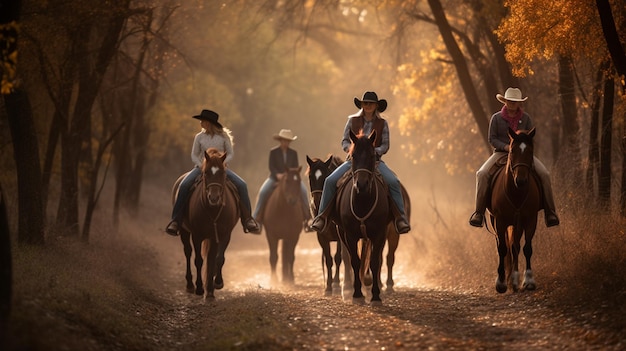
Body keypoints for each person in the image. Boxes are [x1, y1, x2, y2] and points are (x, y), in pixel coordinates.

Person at [310, 91, 411, 234]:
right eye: (365, 103)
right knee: (330, 181)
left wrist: (373, 152)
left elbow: (385, 145)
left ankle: (400, 218)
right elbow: (345, 140)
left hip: (374, 161)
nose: (368, 105)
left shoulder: (382, 123)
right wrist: (352, 150)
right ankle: (322, 217)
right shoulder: (352, 120)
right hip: (354, 161)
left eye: (371, 103)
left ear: (376, 106)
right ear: (362, 105)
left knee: (393, 181)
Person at [469, 87, 560, 228]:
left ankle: (550, 213)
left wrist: (521, 150)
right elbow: (492, 139)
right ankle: (478, 213)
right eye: (510, 101)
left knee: (545, 174)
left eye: (515, 101)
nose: (512, 103)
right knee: (481, 174)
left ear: (519, 103)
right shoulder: (496, 118)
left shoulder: (526, 119)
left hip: (522, 156)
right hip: (501, 152)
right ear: (505, 101)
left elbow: (530, 139)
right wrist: (506, 147)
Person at [166, 109, 260, 235]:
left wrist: (222, 164)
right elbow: (194, 155)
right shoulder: (199, 137)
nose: (201, 123)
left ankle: (248, 220)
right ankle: (176, 221)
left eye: (203, 121)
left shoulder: (223, 137)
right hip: (201, 168)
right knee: (183, 185)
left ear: (209, 123)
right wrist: (202, 166)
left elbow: (230, 154)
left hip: (220, 169)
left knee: (242, 185)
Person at [253, 129, 313, 233]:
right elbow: (271, 167)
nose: (286, 143)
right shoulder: (273, 152)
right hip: (274, 177)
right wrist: (277, 175)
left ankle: (308, 218)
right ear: (280, 141)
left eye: (288, 141)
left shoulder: (293, 153)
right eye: (284, 140)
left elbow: (295, 167)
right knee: (263, 192)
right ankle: (256, 220)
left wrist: (287, 175)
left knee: (303, 191)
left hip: (291, 179)